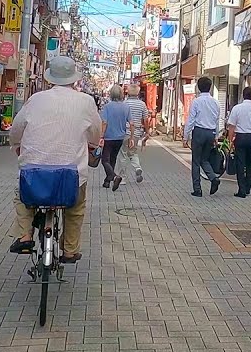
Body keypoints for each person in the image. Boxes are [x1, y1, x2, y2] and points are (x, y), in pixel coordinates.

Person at [8, 56, 102, 262]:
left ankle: (25, 236)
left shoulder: (36, 99)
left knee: (22, 195)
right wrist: (92, 144)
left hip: (34, 173)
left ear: (50, 78)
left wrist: (16, 146)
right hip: (71, 175)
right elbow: (95, 132)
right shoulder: (85, 101)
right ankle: (69, 250)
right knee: (75, 208)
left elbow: (16, 128)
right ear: (74, 79)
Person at [183, 76, 222, 197]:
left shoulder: (196, 101)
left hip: (199, 132)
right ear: (210, 87)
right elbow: (217, 120)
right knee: (204, 159)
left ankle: (197, 189)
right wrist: (216, 136)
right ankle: (213, 178)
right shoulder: (216, 102)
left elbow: (191, 120)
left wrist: (186, 136)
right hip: (211, 133)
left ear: (199, 88)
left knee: (196, 161)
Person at [226, 87, 251, 198]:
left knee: (240, 164)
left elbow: (231, 126)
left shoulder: (237, 108)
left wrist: (230, 141)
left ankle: (241, 190)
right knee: (250, 163)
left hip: (240, 137)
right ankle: (248, 188)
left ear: (243, 96)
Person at [98, 85, 131, 191]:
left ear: (111, 94)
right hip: (120, 137)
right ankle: (107, 181)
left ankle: (114, 176)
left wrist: (101, 135)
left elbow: (104, 122)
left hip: (109, 137)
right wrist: (131, 137)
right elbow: (131, 123)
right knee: (113, 158)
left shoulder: (107, 107)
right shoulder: (126, 107)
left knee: (104, 160)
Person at [121, 84, 150, 184]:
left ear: (128, 92)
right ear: (138, 92)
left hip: (125, 131)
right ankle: (137, 167)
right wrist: (147, 131)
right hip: (137, 132)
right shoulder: (142, 104)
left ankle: (122, 178)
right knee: (133, 152)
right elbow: (146, 119)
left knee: (123, 154)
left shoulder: (124, 103)